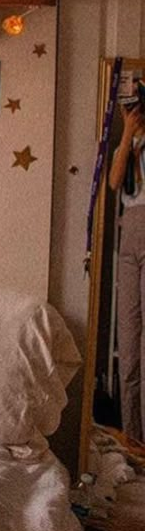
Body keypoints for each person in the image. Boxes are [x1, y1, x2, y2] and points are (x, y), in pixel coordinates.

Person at [108, 87, 145, 444]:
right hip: (130, 232)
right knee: (129, 339)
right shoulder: (130, 143)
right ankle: (134, 438)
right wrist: (127, 135)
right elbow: (115, 182)